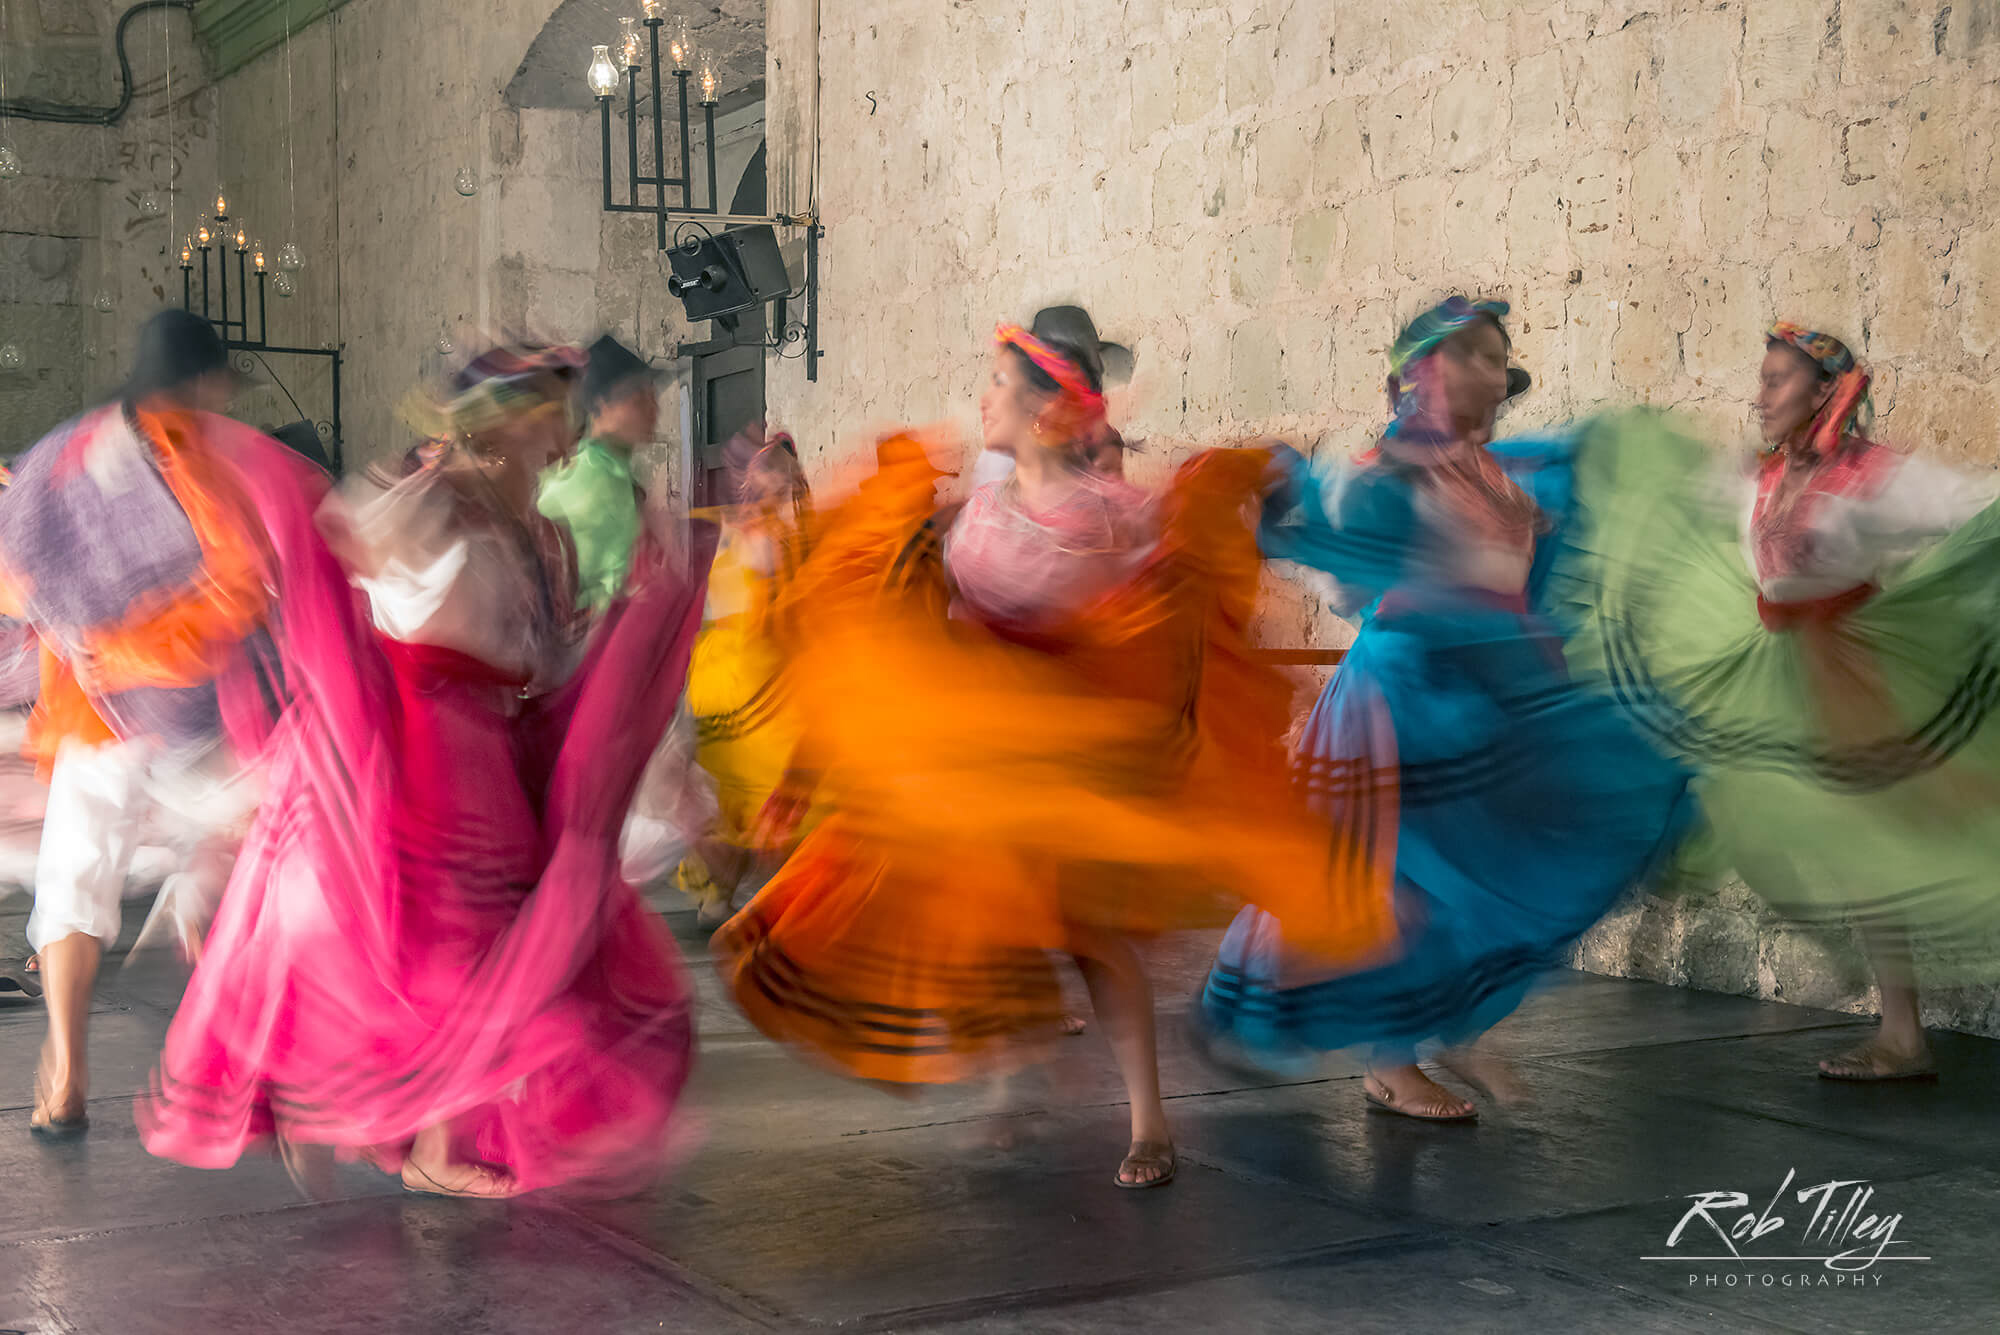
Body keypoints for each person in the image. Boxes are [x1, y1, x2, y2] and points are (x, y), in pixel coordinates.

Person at [714, 321, 1399, 1188]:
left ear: (1041, 411)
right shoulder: (973, 520)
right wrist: (819, 760)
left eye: (997, 384)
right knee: (970, 914)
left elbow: (1163, 618)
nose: (982, 398)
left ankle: (1149, 1123)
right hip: (992, 760)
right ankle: (1015, 1082)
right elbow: (918, 638)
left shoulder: (1117, 515)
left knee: (1095, 943)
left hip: (1076, 767)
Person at [139, 342, 714, 1198]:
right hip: (431, 751)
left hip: (494, 745)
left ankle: (416, 1128)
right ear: (514, 418)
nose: (565, 422)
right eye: (553, 405)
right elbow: (336, 564)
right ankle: (428, 1143)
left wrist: (630, 687)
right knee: (456, 955)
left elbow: (548, 657)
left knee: (500, 949)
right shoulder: (434, 502)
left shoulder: (542, 529)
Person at [1193, 297, 1695, 1120]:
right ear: (1423, 371)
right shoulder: (1385, 474)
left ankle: (1436, 1023)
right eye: (1472, 354)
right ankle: (1395, 1055)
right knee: (1393, 878)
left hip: (1486, 699)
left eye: (1499, 359)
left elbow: (1526, 587)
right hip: (1401, 702)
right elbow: (1350, 578)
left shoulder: (1506, 478)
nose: (1492, 373)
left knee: (1482, 866)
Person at [1552, 323, 2000, 1081]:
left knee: (1874, 845)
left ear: (1825, 390)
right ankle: (1901, 1033)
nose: (1758, 396)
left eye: (1776, 381)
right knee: (1761, 806)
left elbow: (1971, 505)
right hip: (1762, 662)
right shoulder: (1758, 477)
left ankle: (1902, 1035)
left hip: (1848, 673)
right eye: (1759, 380)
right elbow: (1678, 505)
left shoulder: (1873, 477)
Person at [0, 309, 274, 1139]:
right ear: (198, 382)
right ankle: (236, 1032)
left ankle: (67, 1072)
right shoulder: (192, 457)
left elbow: (14, 576)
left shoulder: (58, 453)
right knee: (262, 830)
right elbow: (240, 588)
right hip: (178, 717)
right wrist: (128, 649)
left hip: (87, 716)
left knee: (74, 885)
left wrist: (71, 632)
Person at [665, 424, 817, 926]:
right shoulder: (776, 538)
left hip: (732, 674)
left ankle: (723, 893)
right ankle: (767, 892)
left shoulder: (750, 535)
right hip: (750, 675)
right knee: (757, 785)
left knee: (737, 786)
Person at [537, 333, 659, 614]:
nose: (654, 409)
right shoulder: (586, 482)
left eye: (653, 397)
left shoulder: (619, 477)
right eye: (639, 399)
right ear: (601, 406)